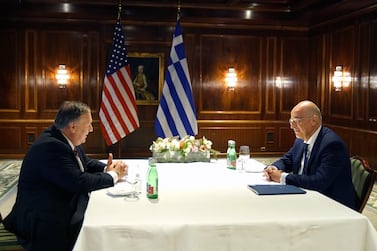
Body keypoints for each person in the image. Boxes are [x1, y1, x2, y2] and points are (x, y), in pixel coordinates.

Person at [3, 101, 127, 251]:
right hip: (40, 220)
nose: (91, 129)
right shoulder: (51, 146)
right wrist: (113, 175)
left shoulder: (64, 137)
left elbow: (85, 163)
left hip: (56, 202)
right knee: (96, 223)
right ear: (73, 127)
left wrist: (107, 168)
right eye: (88, 124)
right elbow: (78, 182)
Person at [263, 100, 358, 210]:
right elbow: (287, 160)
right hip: (306, 197)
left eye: (297, 120)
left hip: (332, 205)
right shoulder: (301, 139)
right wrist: (274, 168)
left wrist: (283, 177)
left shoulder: (332, 145)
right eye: (291, 121)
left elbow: (319, 182)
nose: (292, 126)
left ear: (314, 120)